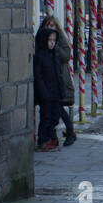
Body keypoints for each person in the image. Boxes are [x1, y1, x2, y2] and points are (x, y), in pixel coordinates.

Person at [37, 16, 76, 146]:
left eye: (52, 25)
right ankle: (53, 137)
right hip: (49, 81)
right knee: (53, 111)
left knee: (58, 109)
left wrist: (55, 48)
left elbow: (66, 56)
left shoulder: (59, 39)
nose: (50, 28)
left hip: (60, 79)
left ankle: (69, 132)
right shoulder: (42, 41)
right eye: (48, 25)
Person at [33, 27, 65, 151]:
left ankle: (50, 138)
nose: (52, 43)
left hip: (55, 91)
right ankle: (43, 140)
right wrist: (43, 92)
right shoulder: (40, 56)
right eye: (49, 40)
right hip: (45, 92)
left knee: (55, 116)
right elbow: (38, 76)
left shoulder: (54, 55)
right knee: (46, 117)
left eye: (54, 40)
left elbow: (59, 73)